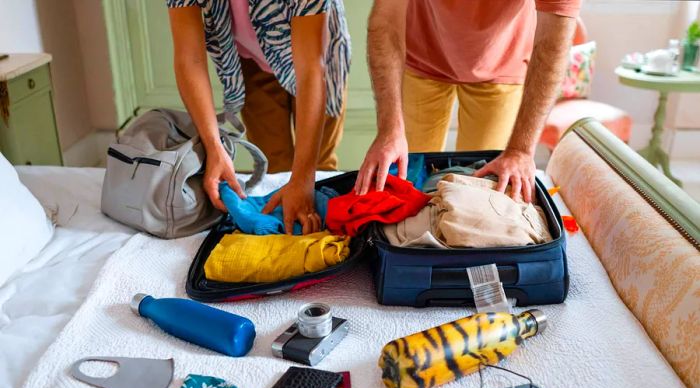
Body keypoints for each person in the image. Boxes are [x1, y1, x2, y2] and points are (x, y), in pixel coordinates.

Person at [356, 0, 580, 203]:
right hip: (421, 53)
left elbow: (553, 43)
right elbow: (385, 22)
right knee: (406, 183)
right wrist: (389, 130)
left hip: (502, 62)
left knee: (482, 193)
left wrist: (521, 150)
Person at [167, 0, 350, 234]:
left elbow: (311, 70)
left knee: (318, 170)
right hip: (252, 61)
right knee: (276, 167)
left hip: (320, 59)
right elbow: (189, 58)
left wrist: (304, 180)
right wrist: (214, 148)